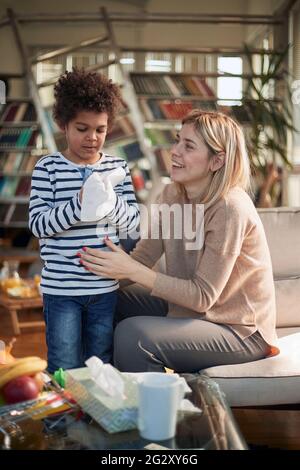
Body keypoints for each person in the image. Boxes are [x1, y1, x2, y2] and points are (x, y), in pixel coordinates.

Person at [79, 109, 279, 373]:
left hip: (240, 331)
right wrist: (83, 280)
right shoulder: (173, 194)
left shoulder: (230, 208)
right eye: (177, 141)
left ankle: (155, 410)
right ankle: (97, 390)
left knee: (133, 336)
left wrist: (132, 270)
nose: (175, 151)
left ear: (216, 161)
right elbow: (143, 257)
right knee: (97, 298)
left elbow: (202, 296)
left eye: (188, 146)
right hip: (193, 313)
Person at [29, 68, 140, 373]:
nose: (92, 138)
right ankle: (60, 423)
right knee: (64, 365)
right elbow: (39, 225)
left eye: (100, 129)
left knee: (100, 364)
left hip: (104, 289)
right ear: (63, 125)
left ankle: (98, 421)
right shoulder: (47, 168)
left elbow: (132, 222)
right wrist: (79, 204)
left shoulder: (117, 167)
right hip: (61, 292)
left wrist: (109, 202)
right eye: (82, 128)